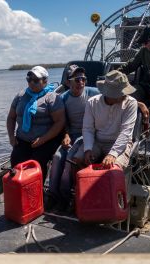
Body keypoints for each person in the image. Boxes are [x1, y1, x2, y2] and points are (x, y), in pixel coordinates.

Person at [45, 65, 100, 210]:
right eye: (77, 79)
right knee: (57, 157)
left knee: (70, 159)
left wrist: (138, 103)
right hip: (72, 135)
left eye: (83, 79)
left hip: (88, 135)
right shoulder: (63, 98)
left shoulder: (93, 92)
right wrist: (66, 135)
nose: (81, 82)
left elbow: (115, 96)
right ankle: (52, 194)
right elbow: (62, 122)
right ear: (68, 82)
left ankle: (66, 196)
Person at [6, 66, 65, 181]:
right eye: (29, 79)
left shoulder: (52, 98)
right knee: (16, 165)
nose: (31, 83)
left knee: (37, 168)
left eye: (36, 80)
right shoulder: (20, 96)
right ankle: (19, 191)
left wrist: (42, 139)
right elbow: (11, 117)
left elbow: (60, 122)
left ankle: (37, 194)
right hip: (22, 140)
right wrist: (11, 137)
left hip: (45, 141)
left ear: (45, 81)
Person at [72, 70, 137, 170]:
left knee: (114, 168)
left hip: (119, 142)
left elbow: (126, 132)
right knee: (76, 162)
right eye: (122, 93)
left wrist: (113, 154)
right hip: (97, 141)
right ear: (109, 94)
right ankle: (79, 185)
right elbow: (88, 128)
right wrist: (88, 149)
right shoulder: (92, 103)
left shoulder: (131, 103)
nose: (125, 95)